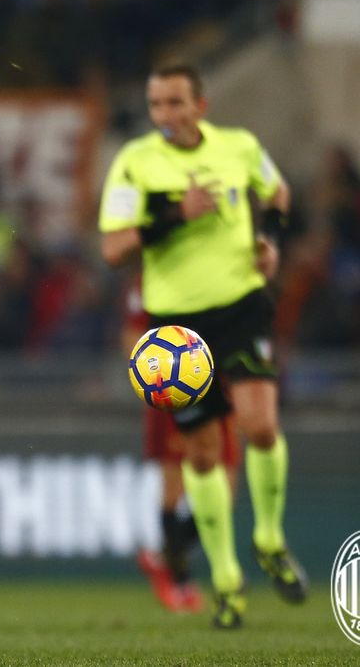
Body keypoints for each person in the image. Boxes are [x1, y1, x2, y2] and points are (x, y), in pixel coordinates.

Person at [99, 63, 308, 629]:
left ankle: (268, 538)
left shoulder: (240, 147)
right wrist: (175, 216)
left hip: (241, 305)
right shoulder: (136, 163)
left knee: (260, 425)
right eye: (156, 105)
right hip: (176, 329)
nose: (164, 115)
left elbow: (279, 191)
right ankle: (225, 578)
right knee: (203, 455)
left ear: (201, 105)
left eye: (174, 103)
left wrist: (270, 238)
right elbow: (115, 247)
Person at [121, 278, 240, 613]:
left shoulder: (222, 266)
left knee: (226, 491)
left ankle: (160, 556)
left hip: (219, 383)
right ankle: (181, 580)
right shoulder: (149, 279)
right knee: (174, 487)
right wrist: (154, 375)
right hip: (173, 389)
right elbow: (133, 335)